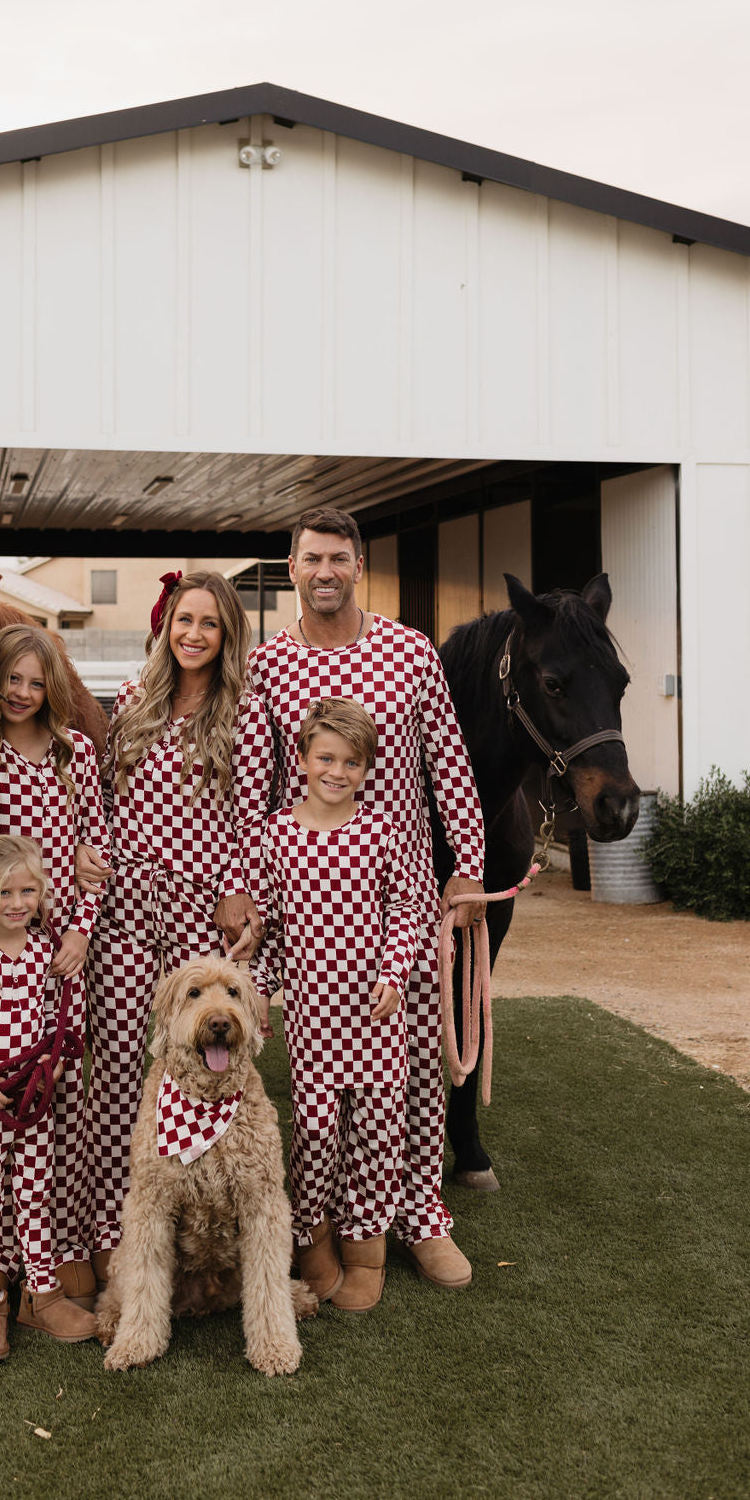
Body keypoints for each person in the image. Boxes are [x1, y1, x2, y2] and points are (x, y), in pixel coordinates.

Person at [216, 506, 486, 1289]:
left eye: (339, 558)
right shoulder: (270, 665)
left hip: (396, 893)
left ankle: (422, 1216)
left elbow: (450, 760)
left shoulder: (407, 652)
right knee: (322, 1077)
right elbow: (253, 786)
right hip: (308, 893)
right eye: (312, 558)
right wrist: (241, 879)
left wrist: (465, 863)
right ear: (292, 567)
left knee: (409, 1064)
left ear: (358, 565)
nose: (326, 571)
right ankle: (322, 1224)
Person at [76, 570, 275, 1282]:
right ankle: (109, 1229)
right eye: (184, 620)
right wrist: (86, 850)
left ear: (227, 636)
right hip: (128, 904)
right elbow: (100, 792)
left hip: (197, 911)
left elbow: (252, 813)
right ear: (167, 626)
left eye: (209, 623)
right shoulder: (134, 698)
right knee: (119, 1074)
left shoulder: (247, 712)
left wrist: (236, 888)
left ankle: (199, 1225)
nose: (193, 633)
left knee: (189, 1067)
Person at [0, 623, 112, 1310]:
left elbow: (96, 847)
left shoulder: (76, 755)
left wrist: (81, 929)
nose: (22, 692)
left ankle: (56, 1248)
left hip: (60, 948)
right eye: (12, 679)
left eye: (35, 682)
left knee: (60, 1096)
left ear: (53, 690)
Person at [245, 698, 418, 1312]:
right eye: (326, 758)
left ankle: (367, 1247)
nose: (337, 771)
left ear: (367, 768)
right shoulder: (274, 837)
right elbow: (264, 928)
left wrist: (395, 972)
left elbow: (406, 912)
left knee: (377, 1132)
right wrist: (259, 989)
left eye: (351, 762)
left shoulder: (382, 834)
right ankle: (311, 1234)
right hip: (315, 1022)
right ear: (302, 759)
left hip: (376, 1018)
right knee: (316, 1133)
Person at [0, 834, 98, 1362]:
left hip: (34, 1100)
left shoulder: (43, 949)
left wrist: (51, 1064)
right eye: (5, 893)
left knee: (35, 1194)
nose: (17, 903)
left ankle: (40, 1293)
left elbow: (54, 1017)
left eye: (28, 891)